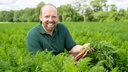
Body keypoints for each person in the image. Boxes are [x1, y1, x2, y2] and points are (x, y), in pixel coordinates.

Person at [26, 4, 94, 58]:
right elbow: (39, 60)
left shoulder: (62, 28)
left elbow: (72, 48)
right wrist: (67, 60)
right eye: (47, 16)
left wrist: (83, 48)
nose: (50, 20)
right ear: (40, 17)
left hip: (63, 63)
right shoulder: (33, 35)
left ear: (57, 17)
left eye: (54, 16)